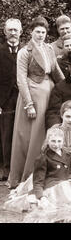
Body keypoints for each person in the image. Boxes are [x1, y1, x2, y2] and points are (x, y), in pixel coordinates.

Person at [8, 16, 65, 189]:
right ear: (31, 32)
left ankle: (47, 172)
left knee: (47, 130)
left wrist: (68, 88)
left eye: (43, 32)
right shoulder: (25, 52)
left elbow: (56, 71)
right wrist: (29, 104)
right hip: (32, 94)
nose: (40, 35)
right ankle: (26, 176)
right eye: (37, 32)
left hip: (49, 93)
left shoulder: (49, 49)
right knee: (32, 137)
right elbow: (21, 80)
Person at [32, 128, 71, 207]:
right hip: (52, 187)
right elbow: (38, 181)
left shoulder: (68, 155)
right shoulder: (43, 158)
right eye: (53, 141)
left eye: (59, 141)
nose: (56, 144)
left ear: (63, 141)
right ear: (48, 141)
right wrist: (41, 197)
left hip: (66, 184)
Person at [0, 19, 23, 181]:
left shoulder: (27, 50)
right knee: (6, 134)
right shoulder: (0, 52)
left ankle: (21, 169)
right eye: (10, 30)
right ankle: (6, 169)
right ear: (4, 32)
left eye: (16, 30)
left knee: (22, 133)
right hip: (5, 100)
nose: (13, 33)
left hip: (24, 97)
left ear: (21, 32)